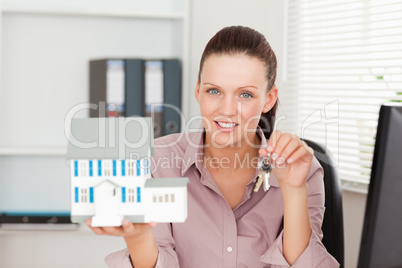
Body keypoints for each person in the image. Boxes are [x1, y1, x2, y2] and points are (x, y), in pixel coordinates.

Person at [87, 26, 340, 268]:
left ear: (269, 99)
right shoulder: (156, 161)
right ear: (198, 91)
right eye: (214, 91)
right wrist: (139, 238)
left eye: (245, 95)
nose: (227, 110)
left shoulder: (301, 169)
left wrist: (293, 190)